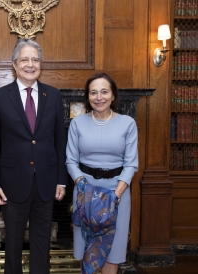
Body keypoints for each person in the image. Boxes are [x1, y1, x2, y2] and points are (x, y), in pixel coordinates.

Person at [0, 39, 67, 274]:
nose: (30, 64)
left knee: (42, 244)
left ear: (40, 64)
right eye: (25, 60)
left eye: (35, 60)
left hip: (46, 182)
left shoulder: (54, 95)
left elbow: (60, 142)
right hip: (11, 183)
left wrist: (61, 179)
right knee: (12, 245)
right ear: (14, 64)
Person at [66, 72, 138, 274]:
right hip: (84, 194)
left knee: (112, 254)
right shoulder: (77, 123)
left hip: (118, 194)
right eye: (93, 92)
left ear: (113, 95)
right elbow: (71, 160)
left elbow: (131, 164)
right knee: (87, 252)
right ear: (87, 97)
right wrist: (84, 188)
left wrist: (114, 197)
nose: (99, 97)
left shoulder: (127, 123)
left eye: (104, 92)